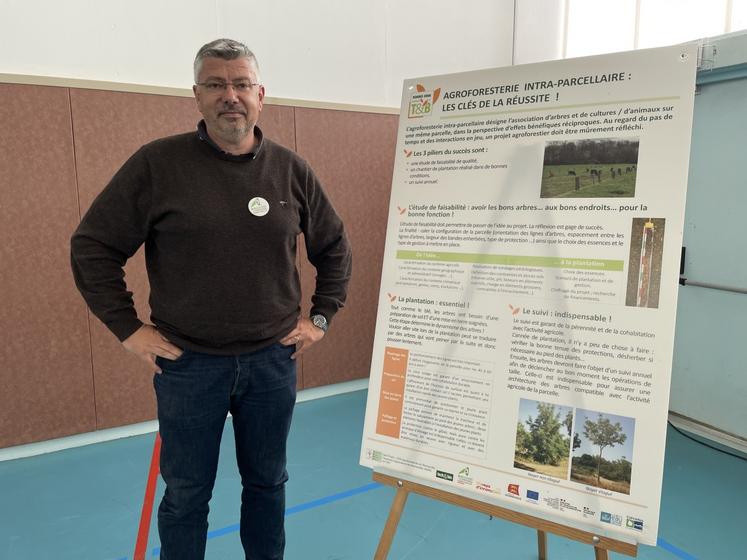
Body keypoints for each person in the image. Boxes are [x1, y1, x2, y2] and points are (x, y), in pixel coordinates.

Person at [71, 38, 352, 560]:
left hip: (272, 362)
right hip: (189, 365)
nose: (231, 96)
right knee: (186, 493)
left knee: (267, 484)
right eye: (217, 84)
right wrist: (128, 329)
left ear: (260, 95)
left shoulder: (292, 170)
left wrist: (320, 317)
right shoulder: (157, 166)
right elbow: (92, 247)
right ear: (196, 95)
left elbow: (334, 248)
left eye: (241, 84)